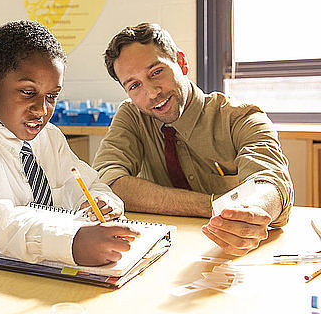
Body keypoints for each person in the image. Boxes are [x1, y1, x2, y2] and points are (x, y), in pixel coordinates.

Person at [0, 20, 139, 284]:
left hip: (35, 272)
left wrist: (104, 202)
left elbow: (89, 185)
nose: (42, 110)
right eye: (28, 92)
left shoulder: (49, 138)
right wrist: (68, 242)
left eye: (52, 96)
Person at [93, 22, 293, 256]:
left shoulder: (240, 117)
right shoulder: (132, 115)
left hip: (233, 254)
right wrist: (213, 204)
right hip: (160, 251)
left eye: (156, 72)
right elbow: (107, 182)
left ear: (181, 62)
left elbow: (271, 183)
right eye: (134, 85)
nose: (152, 93)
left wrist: (252, 212)